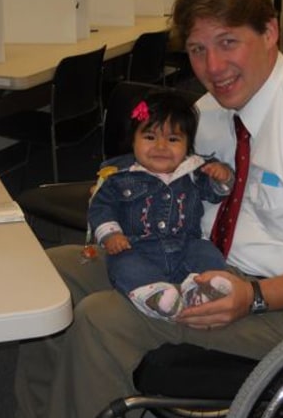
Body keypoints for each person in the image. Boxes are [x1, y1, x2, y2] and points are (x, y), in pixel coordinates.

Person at [11, 0, 283, 418]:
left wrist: (254, 296)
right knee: (50, 274)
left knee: (100, 319)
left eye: (228, 42)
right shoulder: (213, 113)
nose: (213, 67)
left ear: (270, 32)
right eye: (198, 49)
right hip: (193, 261)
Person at [87, 89, 235, 320]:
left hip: (186, 244)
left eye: (173, 139)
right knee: (123, 265)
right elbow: (101, 206)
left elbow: (216, 195)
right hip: (136, 248)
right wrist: (110, 235)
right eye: (150, 137)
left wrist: (223, 176)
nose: (161, 147)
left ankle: (200, 289)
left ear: (188, 145)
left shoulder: (194, 171)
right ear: (133, 140)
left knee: (208, 253)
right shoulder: (120, 176)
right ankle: (156, 296)